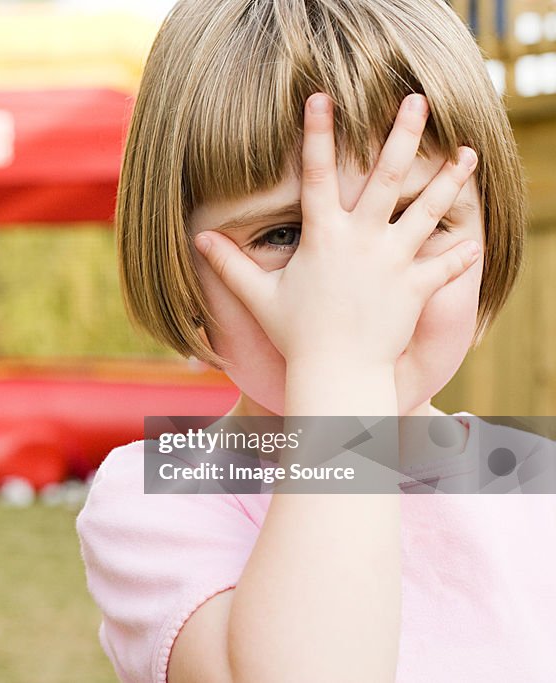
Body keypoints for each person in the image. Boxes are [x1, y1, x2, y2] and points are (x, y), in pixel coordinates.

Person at [75, 1, 555, 681]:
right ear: (179, 268)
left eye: (413, 220)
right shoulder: (162, 495)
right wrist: (342, 366)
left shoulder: (532, 483)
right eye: (284, 234)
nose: (356, 287)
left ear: (491, 233)